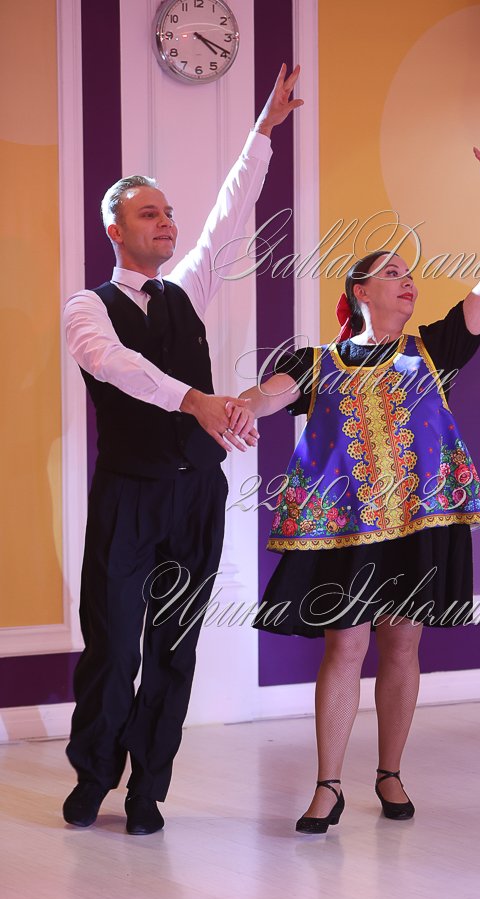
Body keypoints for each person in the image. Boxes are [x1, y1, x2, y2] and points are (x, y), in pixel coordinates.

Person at [233, 142, 480, 833]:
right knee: (345, 647)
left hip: (418, 524)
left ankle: (390, 771)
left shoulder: (433, 350)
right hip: (349, 529)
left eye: (411, 275)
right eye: (393, 273)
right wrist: (237, 407)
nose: (408, 282)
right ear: (360, 292)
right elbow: (269, 395)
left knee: (403, 646)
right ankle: (327, 784)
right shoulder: (317, 361)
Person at [62, 65, 303, 835]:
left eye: (168, 213)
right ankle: (93, 775)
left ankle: (147, 790)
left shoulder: (188, 290)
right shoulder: (87, 308)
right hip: (129, 496)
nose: (166, 223)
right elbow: (117, 367)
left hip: (196, 494)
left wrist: (261, 134)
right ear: (115, 229)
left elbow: (230, 217)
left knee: (174, 646)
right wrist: (196, 399)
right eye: (149, 213)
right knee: (112, 644)